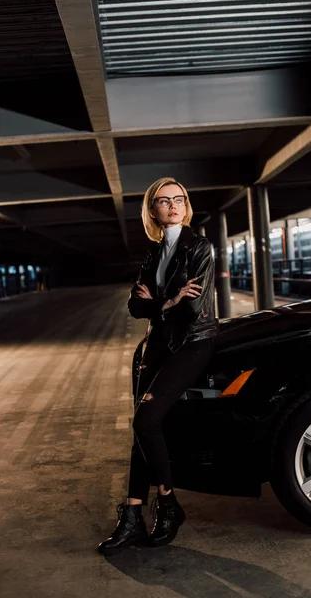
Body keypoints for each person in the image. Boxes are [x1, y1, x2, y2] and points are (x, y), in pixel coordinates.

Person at [98, 177, 219, 556]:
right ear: (152, 210)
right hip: (157, 345)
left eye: (179, 199)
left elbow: (191, 309)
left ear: (186, 205)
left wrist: (160, 303)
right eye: (164, 201)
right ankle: (132, 516)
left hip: (193, 342)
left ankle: (168, 502)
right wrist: (168, 302)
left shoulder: (200, 247)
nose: (173, 205)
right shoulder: (153, 254)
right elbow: (135, 307)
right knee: (141, 428)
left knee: (146, 421)